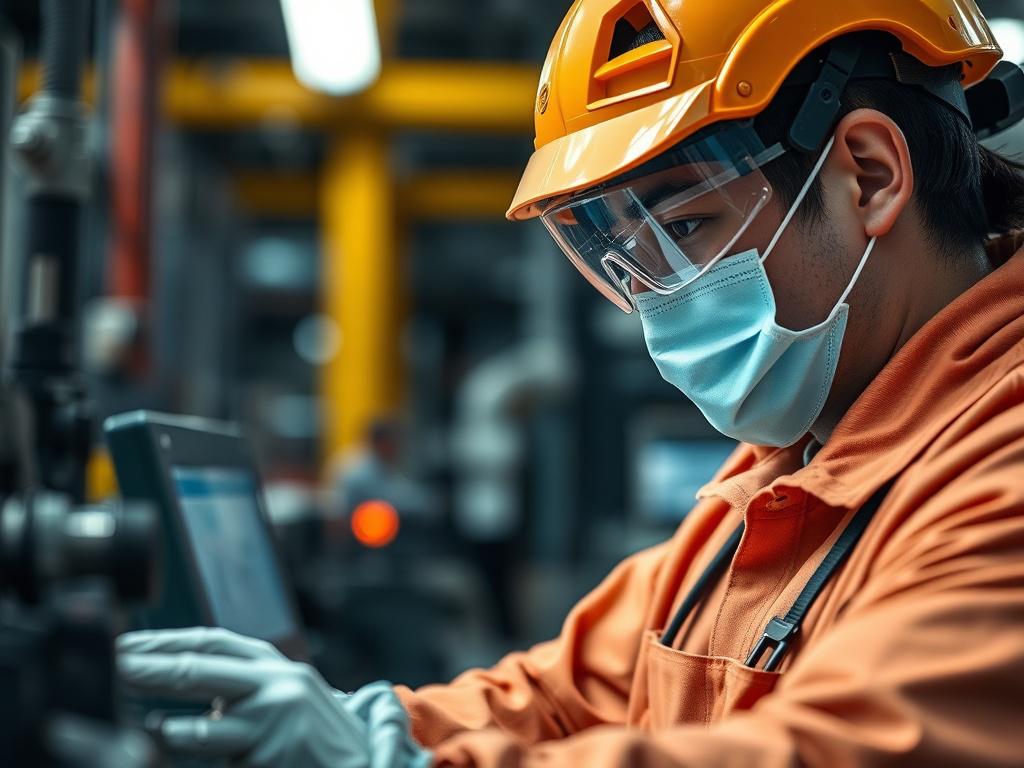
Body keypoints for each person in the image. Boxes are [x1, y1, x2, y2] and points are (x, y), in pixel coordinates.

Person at [117, 1, 1024, 765]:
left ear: (868, 174)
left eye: (687, 227)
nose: (655, 302)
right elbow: (561, 695)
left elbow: (841, 748)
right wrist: (372, 732)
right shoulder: (780, 480)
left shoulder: (999, 470)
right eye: (623, 257)